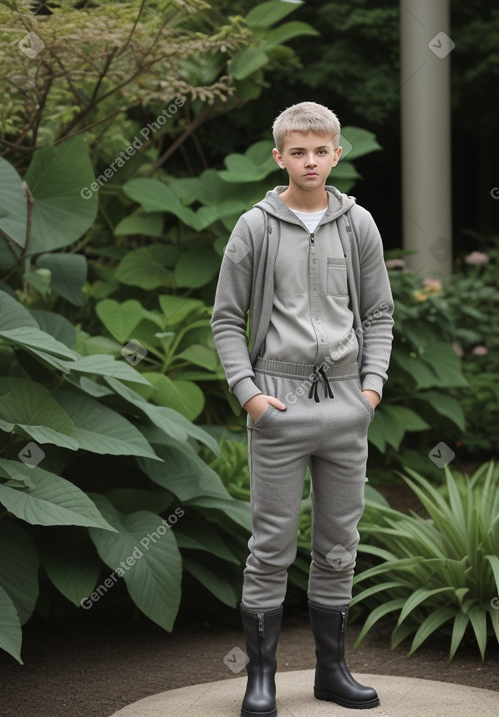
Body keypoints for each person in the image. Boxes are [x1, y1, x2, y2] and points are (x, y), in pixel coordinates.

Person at [211, 101, 394, 715]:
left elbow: (378, 314)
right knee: (271, 546)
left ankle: (331, 672)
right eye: (298, 151)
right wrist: (251, 396)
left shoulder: (358, 224)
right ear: (280, 157)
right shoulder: (254, 227)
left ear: (337, 154)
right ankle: (259, 679)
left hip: (347, 406)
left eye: (321, 151)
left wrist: (370, 390)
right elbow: (226, 319)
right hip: (278, 405)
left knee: (341, 544)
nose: (310, 161)